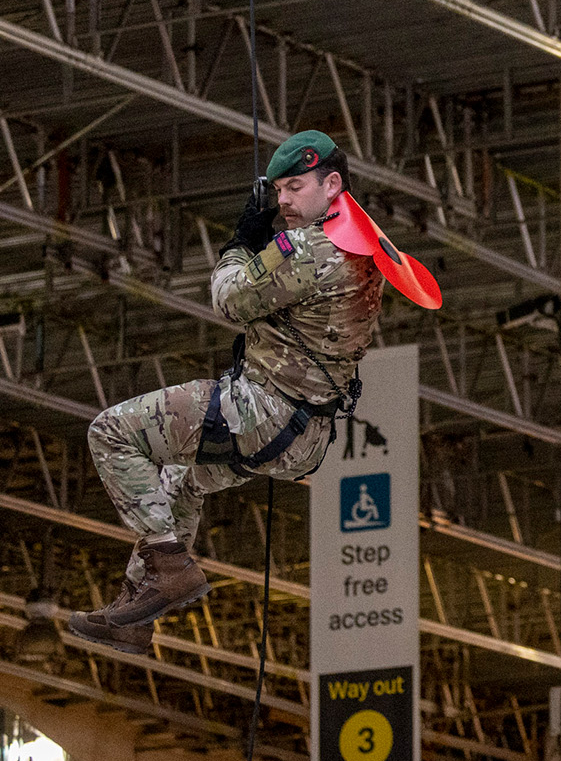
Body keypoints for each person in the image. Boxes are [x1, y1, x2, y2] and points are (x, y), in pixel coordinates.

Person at [68, 132, 382, 653]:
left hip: (259, 412)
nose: (283, 201)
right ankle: (135, 611)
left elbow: (229, 299)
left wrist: (244, 238)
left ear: (331, 185)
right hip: (305, 438)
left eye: (296, 187)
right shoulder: (362, 246)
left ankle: (167, 565)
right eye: (279, 189)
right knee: (179, 481)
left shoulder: (310, 248)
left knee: (111, 432)